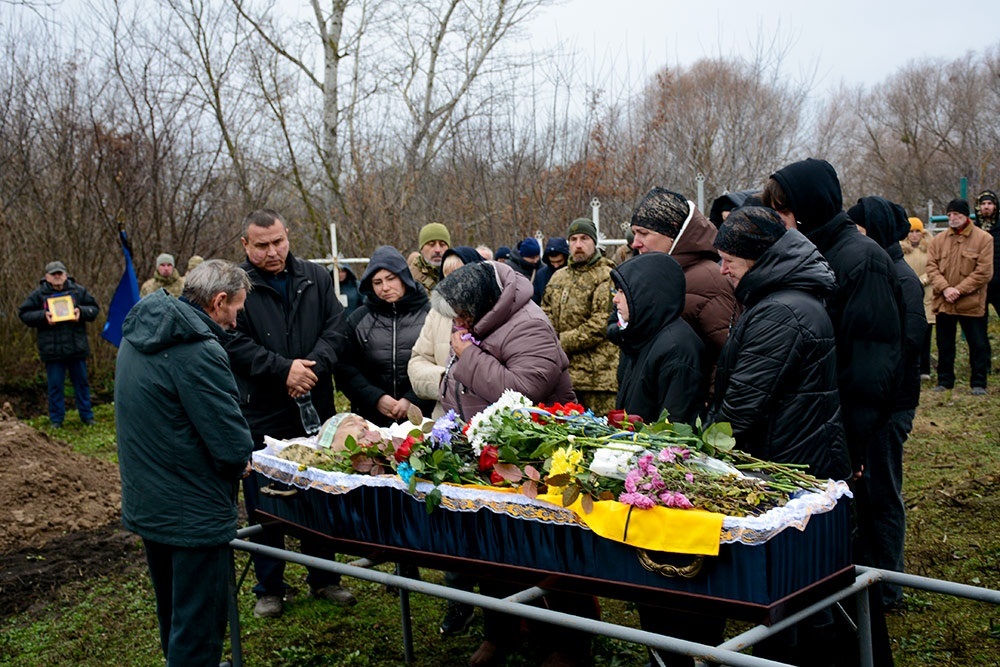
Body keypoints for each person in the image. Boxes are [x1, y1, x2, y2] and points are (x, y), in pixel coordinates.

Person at [763, 157, 901, 667]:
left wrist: (853, 445)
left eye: (783, 212)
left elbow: (869, 365)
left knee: (843, 559)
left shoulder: (860, 259)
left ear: (809, 209)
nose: (779, 223)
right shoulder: (812, 253)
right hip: (813, 431)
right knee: (812, 557)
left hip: (840, 437)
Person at [430, 259, 591, 667]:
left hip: (537, 456)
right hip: (488, 454)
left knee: (549, 550)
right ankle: (500, 631)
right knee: (492, 549)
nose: (458, 322)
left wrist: (468, 355)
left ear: (482, 304)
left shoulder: (529, 325)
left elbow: (521, 393)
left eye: (462, 314)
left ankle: (569, 644)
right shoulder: (475, 326)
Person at [115, 260, 254, 667]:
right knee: (198, 626)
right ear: (219, 301)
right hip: (193, 511)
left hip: (150, 500)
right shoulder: (198, 350)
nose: (236, 321)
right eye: (237, 309)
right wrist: (241, 461)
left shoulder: (138, 335)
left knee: (174, 611)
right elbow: (231, 446)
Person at [225, 208, 355, 618]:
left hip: (315, 404)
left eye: (278, 242)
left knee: (317, 489)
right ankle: (270, 586)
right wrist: (284, 371)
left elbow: (337, 327)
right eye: (261, 245)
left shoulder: (315, 278)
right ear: (245, 245)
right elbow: (234, 343)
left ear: (288, 236)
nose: (272, 252)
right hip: (262, 410)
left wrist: (310, 369)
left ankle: (325, 577)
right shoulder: (235, 287)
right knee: (265, 498)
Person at [712, 207, 850, 481]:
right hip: (795, 451)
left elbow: (744, 401)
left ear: (757, 259)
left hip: (791, 461)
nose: (722, 270)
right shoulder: (780, 299)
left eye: (729, 260)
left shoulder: (780, 312)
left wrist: (709, 445)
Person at [849, 196, 926, 610]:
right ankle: (870, 578)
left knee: (883, 493)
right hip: (875, 404)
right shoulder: (879, 270)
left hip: (891, 407)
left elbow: (907, 346)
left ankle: (890, 586)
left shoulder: (901, 278)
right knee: (868, 494)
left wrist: (878, 399)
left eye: (859, 228)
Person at [408, 246, 485, 635]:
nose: (453, 283)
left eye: (461, 274)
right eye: (446, 276)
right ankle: (459, 601)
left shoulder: (494, 313)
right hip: (448, 424)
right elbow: (416, 363)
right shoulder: (437, 314)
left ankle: (509, 613)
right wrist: (446, 381)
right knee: (453, 522)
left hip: (490, 429)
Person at [628, 187, 738, 391]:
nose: (635, 243)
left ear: (672, 233)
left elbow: (726, 357)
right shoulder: (658, 277)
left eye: (643, 233)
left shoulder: (709, 280)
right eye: (634, 233)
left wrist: (708, 405)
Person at [336, 246, 434, 426]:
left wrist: (412, 399)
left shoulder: (430, 316)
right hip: (370, 421)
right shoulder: (358, 320)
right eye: (377, 282)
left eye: (391, 279)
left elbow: (440, 364)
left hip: (423, 419)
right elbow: (345, 369)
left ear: (403, 278)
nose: (385, 287)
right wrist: (376, 398)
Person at [609, 252, 705, 426]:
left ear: (645, 295)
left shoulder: (676, 348)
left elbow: (673, 426)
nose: (615, 300)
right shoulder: (642, 335)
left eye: (622, 292)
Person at [541, 218, 619, 416]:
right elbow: (544, 314)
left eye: (584, 238)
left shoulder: (607, 275)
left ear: (594, 242)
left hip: (598, 380)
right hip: (564, 377)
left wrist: (560, 342)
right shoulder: (559, 277)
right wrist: (548, 341)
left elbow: (601, 323)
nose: (578, 245)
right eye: (573, 239)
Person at [18, 261, 100, 427]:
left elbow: (94, 309)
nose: (57, 277)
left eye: (60, 274)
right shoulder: (38, 294)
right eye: (53, 274)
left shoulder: (78, 291)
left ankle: (87, 416)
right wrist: (43, 316)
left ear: (65, 275)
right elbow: (24, 313)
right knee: (55, 386)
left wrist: (81, 312)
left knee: (82, 384)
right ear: (47, 277)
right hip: (52, 350)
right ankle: (56, 419)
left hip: (76, 347)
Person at [926, 198, 994, 394]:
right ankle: (945, 381)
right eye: (950, 214)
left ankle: (978, 383)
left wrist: (959, 290)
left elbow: (984, 272)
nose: (952, 218)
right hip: (944, 301)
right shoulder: (938, 240)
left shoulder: (984, 239)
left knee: (977, 344)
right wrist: (946, 288)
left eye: (956, 214)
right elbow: (931, 267)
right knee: (944, 344)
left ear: (966, 216)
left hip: (971, 303)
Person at [901, 217, 935, 380]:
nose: (914, 235)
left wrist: (922, 280)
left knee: (925, 335)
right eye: (911, 231)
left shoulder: (929, 249)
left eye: (917, 231)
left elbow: (934, 267)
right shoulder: (902, 250)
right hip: (907, 295)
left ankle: (924, 369)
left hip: (926, 295)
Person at [975, 190, 1000, 325]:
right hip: (980, 285)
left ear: (995, 206)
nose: (986, 207)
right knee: (979, 324)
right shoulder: (973, 230)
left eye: (989, 203)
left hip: (999, 283)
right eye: (983, 203)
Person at [407, 222, 451, 292]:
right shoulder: (409, 280)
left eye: (442, 244)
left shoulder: (457, 274)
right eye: (431, 244)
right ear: (421, 249)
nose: (438, 250)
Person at [532, 236, 569, 304]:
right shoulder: (541, 275)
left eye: (559, 261)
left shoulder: (575, 273)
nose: (556, 265)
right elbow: (535, 300)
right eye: (552, 262)